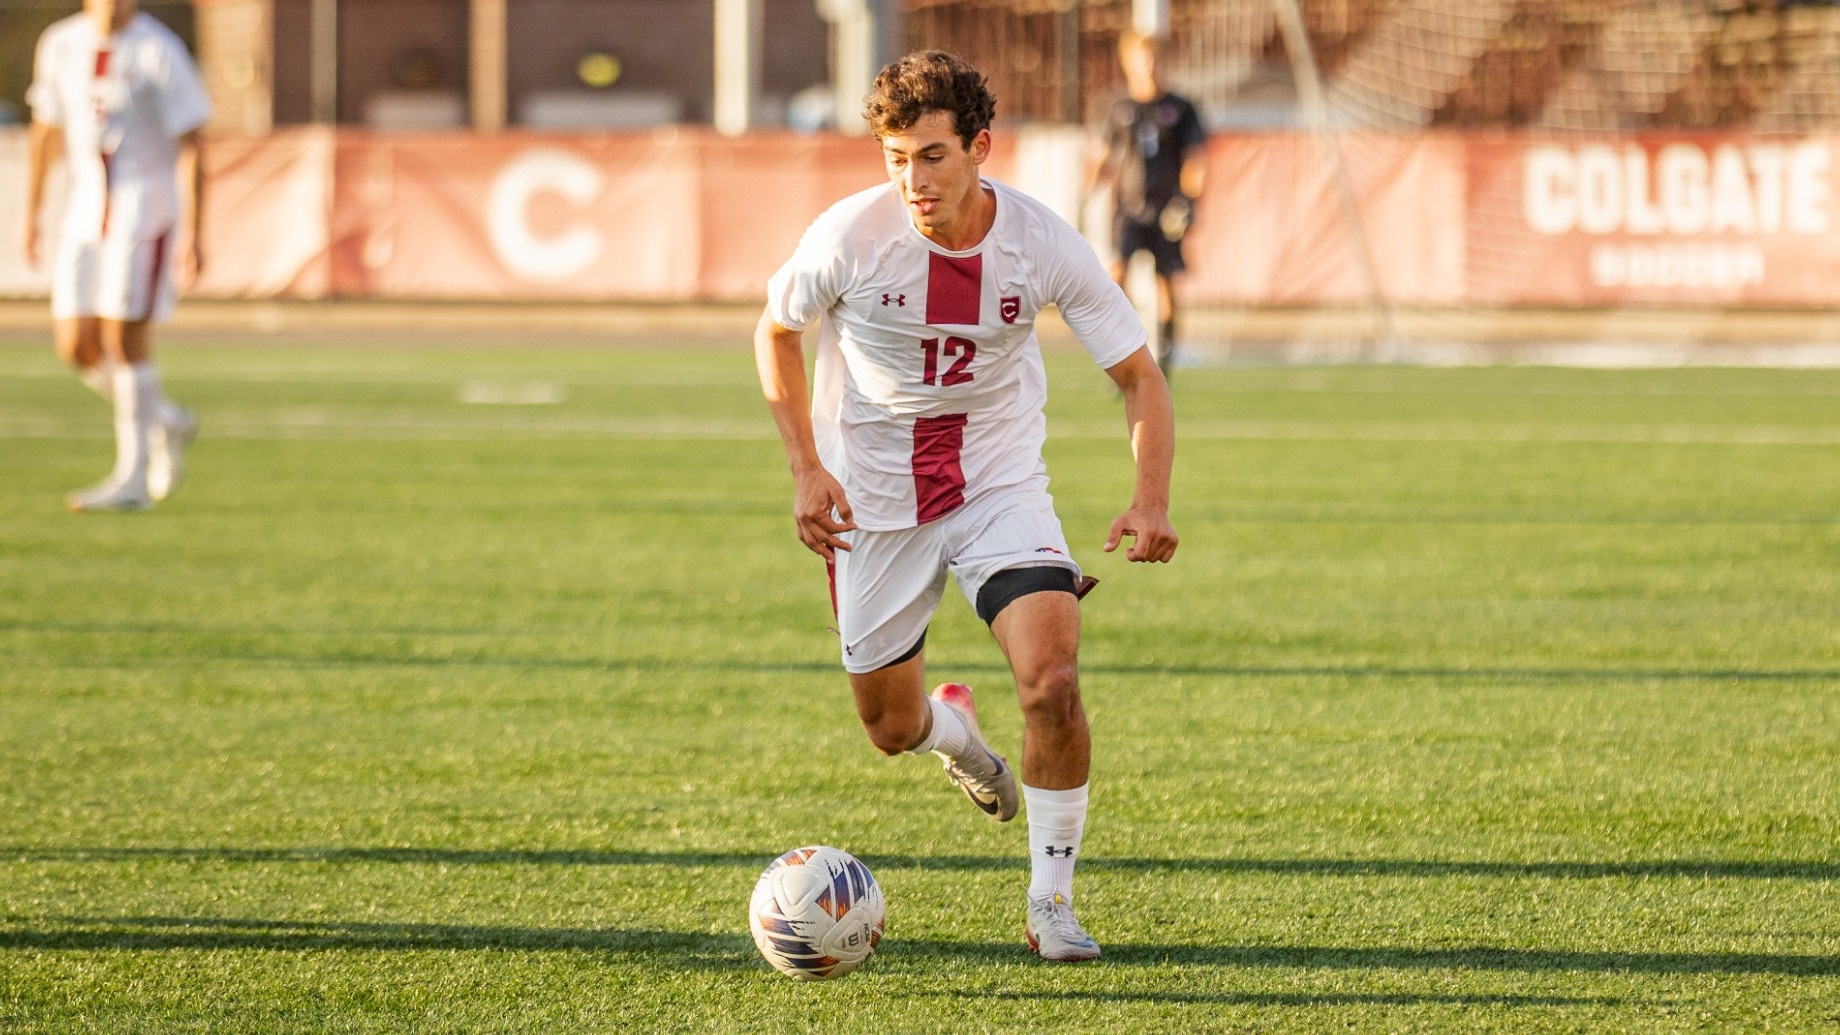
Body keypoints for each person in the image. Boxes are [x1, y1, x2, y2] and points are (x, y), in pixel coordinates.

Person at [754, 50, 1177, 963]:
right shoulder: (848, 238)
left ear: (981, 147)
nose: (913, 179)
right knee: (890, 727)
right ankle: (961, 738)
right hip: (872, 504)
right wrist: (805, 469)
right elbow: (777, 332)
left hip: (997, 484)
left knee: (1053, 679)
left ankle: (1051, 903)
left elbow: (1139, 374)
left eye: (934, 156)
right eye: (897, 157)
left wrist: (1150, 497)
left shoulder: (1040, 241)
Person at [22, 0, 209, 513]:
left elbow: (193, 142)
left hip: (142, 209)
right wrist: (33, 209)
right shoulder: (61, 43)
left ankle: (131, 481)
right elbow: (47, 128)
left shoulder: (159, 49)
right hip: (85, 209)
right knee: (76, 346)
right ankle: (165, 421)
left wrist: (194, 231)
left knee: (122, 339)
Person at [1088, 29, 1207, 380]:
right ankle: (1120, 354)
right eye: (1141, 58)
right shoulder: (1118, 107)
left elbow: (1195, 159)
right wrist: (1088, 194)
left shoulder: (1181, 108)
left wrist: (1188, 201)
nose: (1148, 66)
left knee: (1166, 282)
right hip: (1128, 208)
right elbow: (1104, 157)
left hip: (1166, 208)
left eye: (1154, 58)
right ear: (1127, 63)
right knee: (1116, 276)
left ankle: (1166, 358)